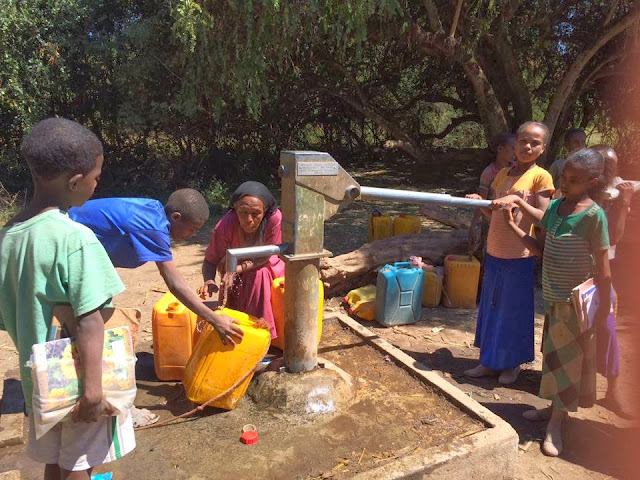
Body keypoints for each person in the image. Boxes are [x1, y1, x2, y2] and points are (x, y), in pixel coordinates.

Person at [0, 118, 135, 479]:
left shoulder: (8, 236)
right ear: (75, 182)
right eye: (96, 176)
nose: (97, 184)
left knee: (54, 459)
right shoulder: (75, 238)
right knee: (80, 463)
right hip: (76, 379)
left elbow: (10, 314)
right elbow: (91, 319)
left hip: (39, 380)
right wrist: (92, 392)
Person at [69, 189, 244, 427]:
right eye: (192, 229)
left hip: (81, 257)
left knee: (95, 330)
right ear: (176, 217)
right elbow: (175, 283)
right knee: (97, 334)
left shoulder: (152, 210)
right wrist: (215, 320)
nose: (192, 235)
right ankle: (115, 407)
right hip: (66, 253)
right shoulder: (152, 226)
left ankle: (100, 398)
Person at [496, 148, 612, 456]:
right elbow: (540, 249)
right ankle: (553, 409)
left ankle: (556, 425)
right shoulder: (557, 207)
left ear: (592, 182)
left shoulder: (593, 217)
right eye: (563, 177)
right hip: (552, 300)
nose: (564, 184)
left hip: (575, 307)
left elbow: (604, 269)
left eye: (573, 180)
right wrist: (513, 226)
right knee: (553, 358)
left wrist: (604, 309)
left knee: (568, 366)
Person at [464, 121, 554, 385]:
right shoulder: (502, 174)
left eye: (535, 143)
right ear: (515, 143)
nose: (527, 146)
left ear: (543, 148)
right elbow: (493, 214)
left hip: (519, 256)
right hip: (495, 251)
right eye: (523, 141)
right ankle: (488, 362)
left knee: (512, 312)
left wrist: (517, 200)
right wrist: (479, 203)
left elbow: (543, 218)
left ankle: (511, 365)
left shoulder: (541, 177)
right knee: (491, 308)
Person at [200, 181, 284, 339]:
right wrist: (209, 280)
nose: (249, 219)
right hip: (235, 266)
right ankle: (235, 328)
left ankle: (262, 332)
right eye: (243, 212)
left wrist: (235, 270)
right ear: (235, 209)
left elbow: (265, 256)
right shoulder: (226, 223)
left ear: (265, 210)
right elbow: (211, 259)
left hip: (267, 267)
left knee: (259, 274)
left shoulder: (274, 218)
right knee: (226, 264)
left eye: (255, 213)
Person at [590, 145, 635, 418]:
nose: (611, 170)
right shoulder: (581, 189)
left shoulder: (617, 192)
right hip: (575, 272)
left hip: (601, 275)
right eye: (605, 165)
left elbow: (614, 238)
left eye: (613, 165)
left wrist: (624, 202)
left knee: (607, 332)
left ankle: (612, 393)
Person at [468, 133, 516, 258]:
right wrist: (474, 225)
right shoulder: (489, 172)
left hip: (511, 219)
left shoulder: (516, 169)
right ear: (500, 149)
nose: (516, 151)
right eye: (513, 148)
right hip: (491, 221)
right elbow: (481, 201)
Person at [548, 128, 586, 194]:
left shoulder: (588, 166)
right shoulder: (558, 165)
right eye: (576, 142)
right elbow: (547, 186)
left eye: (583, 142)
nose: (580, 145)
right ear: (567, 144)